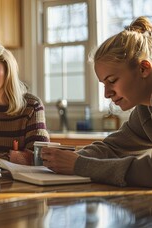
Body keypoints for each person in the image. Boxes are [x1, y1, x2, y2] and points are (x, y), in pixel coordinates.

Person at [41, 16, 152, 187]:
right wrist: (56, 160)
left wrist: (79, 165)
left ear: (143, 69)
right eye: (103, 84)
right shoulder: (145, 110)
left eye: (112, 80)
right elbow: (113, 148)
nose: (107, 93)